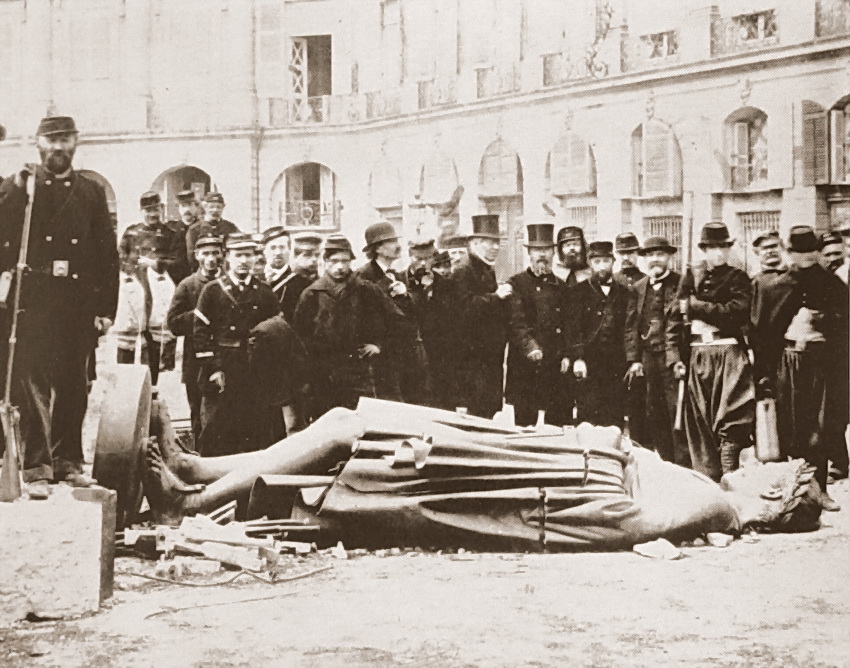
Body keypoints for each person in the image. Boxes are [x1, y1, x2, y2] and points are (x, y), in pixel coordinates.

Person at [143, 401, 824, 549]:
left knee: (345, 432)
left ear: (771, 495)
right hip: (524, 452)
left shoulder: (713, 504)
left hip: (517, 467)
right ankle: (200, 473)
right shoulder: (708, 498)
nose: (765, 461)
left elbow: (619, 516)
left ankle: (193, 499)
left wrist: (595, 453)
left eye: (777, 468)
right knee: (341, 426)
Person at [0, 116, 119, 496]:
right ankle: (37, 468)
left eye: (64, 139)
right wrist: (15, 189)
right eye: (50, 140)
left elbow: (106, 254)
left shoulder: (90, 191)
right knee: (31, 386)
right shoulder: (22, 188)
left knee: (73, 386)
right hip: (33, 301)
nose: (57, 147)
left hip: (76, 303)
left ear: (75, 143)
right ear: (37, 143)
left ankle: (68, 463)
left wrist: (106, 309)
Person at [749, 226, 849, 511]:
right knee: (789, 425)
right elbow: (761, 332)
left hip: (822, 362)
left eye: (810, 253)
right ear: (789, 253)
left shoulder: (833, 284)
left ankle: (820, 490)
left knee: (820, 424)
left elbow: (845, 327)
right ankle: (790, 489)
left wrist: (827, 320)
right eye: (798, 253)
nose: (805, 259)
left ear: (818, 253)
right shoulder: (774, 285)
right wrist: (764, 373)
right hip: (787, 361)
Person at [667, 223, 754, 481]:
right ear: (704, 250)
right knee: (700, 421)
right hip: (697, 354)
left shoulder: (738, 278)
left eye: (723, 248)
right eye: (712, 248)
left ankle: (731, 477)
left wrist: (696, 306)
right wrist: (674, 358)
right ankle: (708, 481)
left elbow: (736, 312)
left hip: (728, 352)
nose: (718, 253)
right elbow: (673, 317)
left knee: (731, 415)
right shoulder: (690, 278)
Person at [193, 233, 281, 456]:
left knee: (256, 427)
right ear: (228, 258)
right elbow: (201, 332)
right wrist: (213, 369)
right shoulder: (212, 290)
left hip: (255, 368)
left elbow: (276, 329)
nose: (243, 260)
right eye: (238, 255)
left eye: (248, 255)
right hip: (224, 367)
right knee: (218, 428)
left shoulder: (264, 291)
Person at [293, 234, 392, 416]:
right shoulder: (312, 294)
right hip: (323, 374)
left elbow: (391, 320)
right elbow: (300, 335)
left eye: (345, 261)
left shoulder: (366, 290)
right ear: (325, 261)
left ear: (351, 262)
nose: (340, 266)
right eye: (334, 261)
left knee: (359, 420)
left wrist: (378, 345)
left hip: (358, 372)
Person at [625, 236, 683, 463]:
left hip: (673, 358)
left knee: (676, 409)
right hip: (649, 358)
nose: (655, 260)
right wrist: (634, 359)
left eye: (660, 254)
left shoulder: (681, 283)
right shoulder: (638, 288)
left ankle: (682, 463)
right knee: (654, 410)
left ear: (669, 257)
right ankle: (665, 461)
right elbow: (631, 327)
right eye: (650, 255)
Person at [505, 223, 570, 427]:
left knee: (556, 424)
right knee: (525, 424)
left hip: (554, 362)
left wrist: (568, 354)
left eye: (546, 250)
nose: (542, 255)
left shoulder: (561, 286)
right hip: (526, 363)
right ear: (529, 254)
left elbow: (569, 324)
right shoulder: (516, 283)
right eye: (536, 250)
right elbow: (516, 321)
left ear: (553, 253)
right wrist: (530, 346)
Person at [356, 223, 428, 404]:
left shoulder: (398, 275)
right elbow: (362, 315)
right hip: (382, 357)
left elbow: (413, 311)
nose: (398, 246)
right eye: (392, 241)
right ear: (378, 248)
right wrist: (376, 344)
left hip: (404, 353)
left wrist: (406, 294)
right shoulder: (364, 276)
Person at [565, 240, 630, 428]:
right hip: (588, 364)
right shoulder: (578, 292)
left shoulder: (624, 293)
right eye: (597, 262)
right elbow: (573, 328)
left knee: (614, 417)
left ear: (613, 262)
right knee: (587, 416)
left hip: (616, 365)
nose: (602, 266)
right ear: (590, 263)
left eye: (606, 261)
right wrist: (578, 358)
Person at [453, 214, 512, 418]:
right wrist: (496, 297)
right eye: (490, 243)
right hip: (473, 356)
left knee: (490, 406)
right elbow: (464, 308)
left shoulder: (487, 269)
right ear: (474, 243)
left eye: (497, 242)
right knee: (476, 408)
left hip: (489, 354)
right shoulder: (463, 270)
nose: (495, 247)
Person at [167, 235, 224, 443]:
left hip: (224, 356)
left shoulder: (228, 282)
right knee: (198, 412)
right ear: (197, 255)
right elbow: (172, 323)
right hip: (196, 362)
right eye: (205, 253)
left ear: (222, 255)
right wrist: (200, 314)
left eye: (215, 253)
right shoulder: (187, 285)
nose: (210, 259)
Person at [404, 244, 460, 410]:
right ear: (409, 256)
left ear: (434, 259)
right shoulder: (400, 280)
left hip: (440, 357)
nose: (423, 264)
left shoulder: (446, 284)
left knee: (443, 406)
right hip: (411, 356)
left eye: (427, 258)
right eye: (418, 259)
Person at [185, 192, 240, 272]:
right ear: (205, 207)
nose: (215, 210)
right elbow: (191, 257)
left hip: (226, 272)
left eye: (218, 207)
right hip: (203, 272)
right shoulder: (194, 229)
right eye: (211, 207)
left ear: (223, 207)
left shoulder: (230, 227)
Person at [279, 231, 321, 324]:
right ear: (295, 256)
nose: (314, 259)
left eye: (317, 255)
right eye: (307, 255)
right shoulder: (287, 285)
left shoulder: (320, 282)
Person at [261, 226, 291, 298]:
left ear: (289, 250)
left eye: (282, 247)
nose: (278, 252)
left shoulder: (300, 282)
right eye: (273, 248)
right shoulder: (254, 280)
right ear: (264, 251)